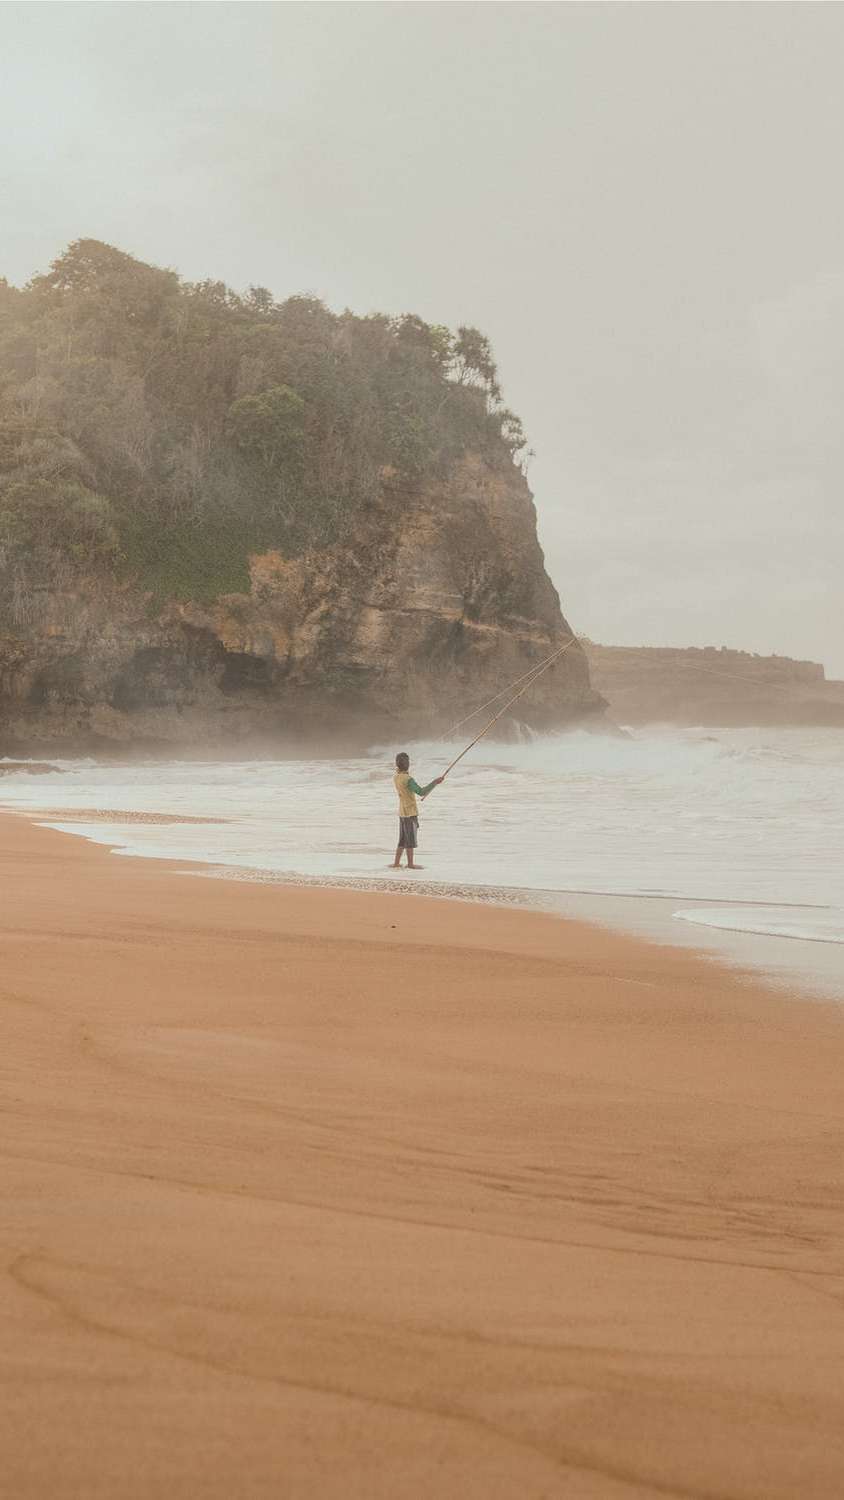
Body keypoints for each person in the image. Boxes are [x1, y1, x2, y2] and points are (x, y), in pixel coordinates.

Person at [392, 751, 443, 869]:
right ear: (407, 764)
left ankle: (396, 863)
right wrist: (435, 782)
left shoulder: (396, 777)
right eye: (407, 761)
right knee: (410, 840)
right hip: (410, 813)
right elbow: (421, 792)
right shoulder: (408, 779)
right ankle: (410, 864)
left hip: (402, 812)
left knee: (402, 839)